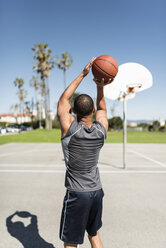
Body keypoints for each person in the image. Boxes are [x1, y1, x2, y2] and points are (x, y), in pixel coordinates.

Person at [57, 58, 112, 248]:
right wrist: (100, 86)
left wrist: (83, 74)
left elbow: (63, 100)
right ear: (93, 111)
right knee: (94, 235)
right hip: (96, 191)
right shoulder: (100, 131)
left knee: (71, 243)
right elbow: (104, 110)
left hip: (77, 195)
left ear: (74, 112)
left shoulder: (69, 129)